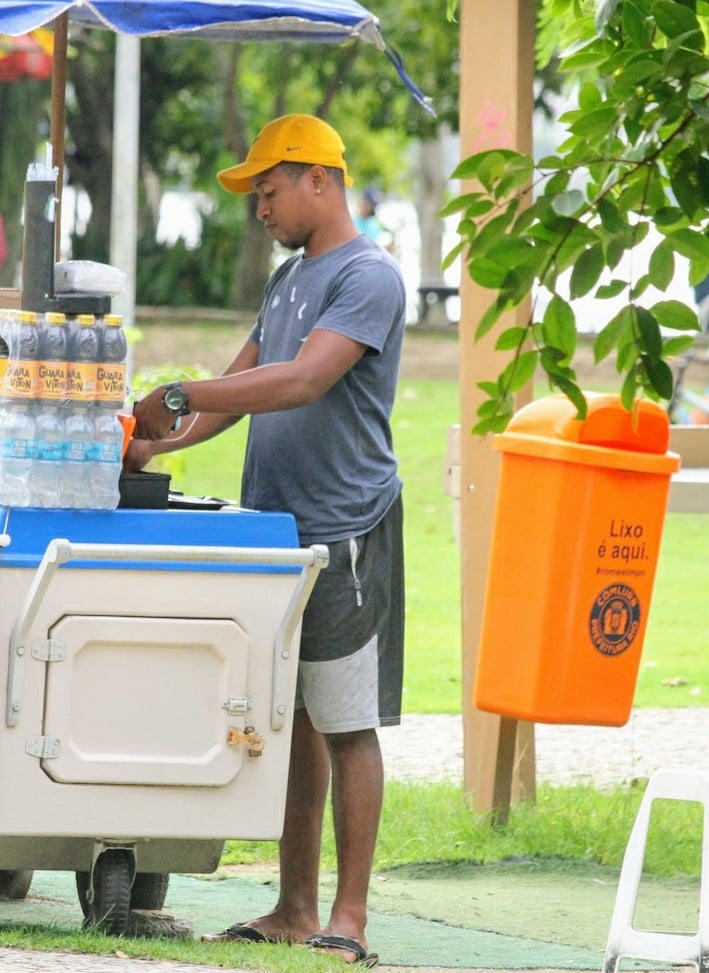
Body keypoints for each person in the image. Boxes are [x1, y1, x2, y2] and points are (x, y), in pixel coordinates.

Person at [128, 113, 406, 969]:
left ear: (319, 178)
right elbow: (233, 392)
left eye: (269, 188)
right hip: (276, 529)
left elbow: (299, 379)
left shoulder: (370, 276)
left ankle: (348, 916)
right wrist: (148, 442)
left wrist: (176, 390)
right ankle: (292, 906)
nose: (260, 207)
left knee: (347, 720)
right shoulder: (289, 278)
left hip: (346, 526)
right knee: (293, 725)